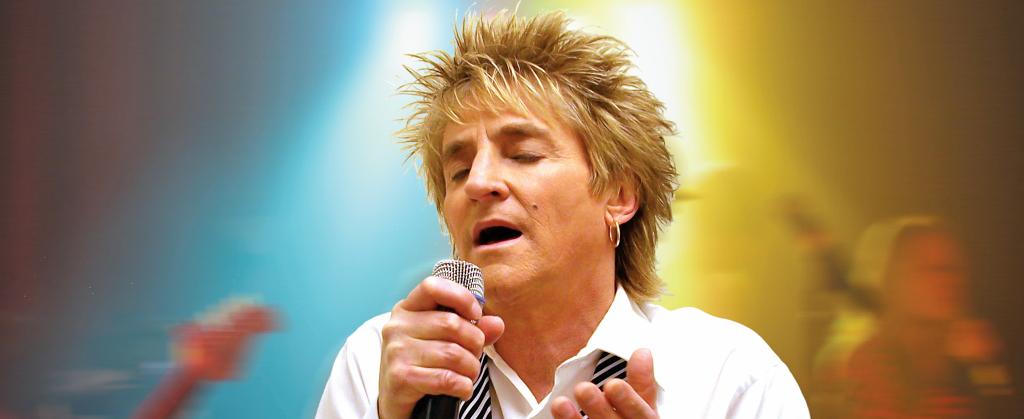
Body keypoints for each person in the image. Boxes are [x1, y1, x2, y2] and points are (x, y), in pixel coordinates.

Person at [316, 11, 808, 419]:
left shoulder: (730, 376)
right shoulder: (379, 364)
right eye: (459, 171)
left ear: (619, 195)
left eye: (523, 154)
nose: (479, 183)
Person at [842, 217, 1014, 418]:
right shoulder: (872, 360)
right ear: (892, 280)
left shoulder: (968, 353)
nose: (948, 280)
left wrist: (984, 367)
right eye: (929, 268)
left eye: (954, 268)